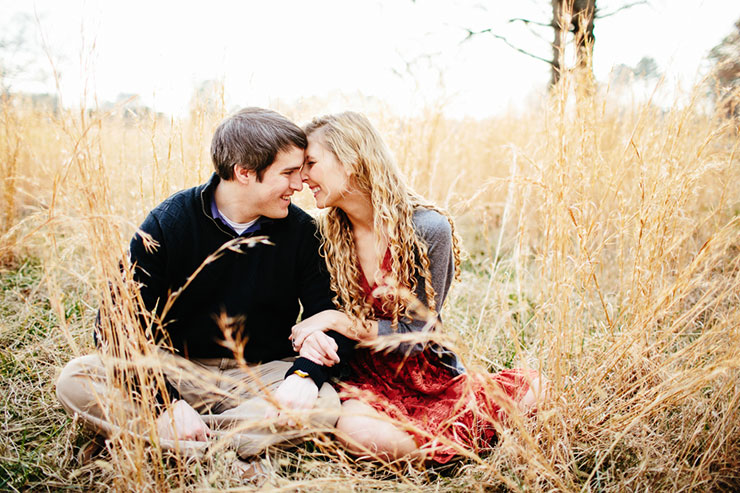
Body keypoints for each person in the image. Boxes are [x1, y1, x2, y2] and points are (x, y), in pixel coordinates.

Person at [55, 107, 354, 480]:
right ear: (244, 172)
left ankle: (171, 445)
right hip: (177, 368)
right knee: (76, 379)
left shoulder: (301, 231)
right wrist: (167, 404)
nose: (299, 184)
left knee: (323, 405)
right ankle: (228, 444)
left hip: (259, 373)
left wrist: (304, 376)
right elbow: (117, 325)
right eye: (288, 173)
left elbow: (327, 313)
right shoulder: (169, 222)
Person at [291, 111, 544, 464]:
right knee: (357, 434)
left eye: (310, 163)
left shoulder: (427, 230)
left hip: (427, 372)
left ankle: (452, 441)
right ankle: (465, 443)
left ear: (349, 160)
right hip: (362, 377)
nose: (302, 178)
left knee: (537, 388)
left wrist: (338, 319)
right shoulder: (326, 235)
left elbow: (415, 337)